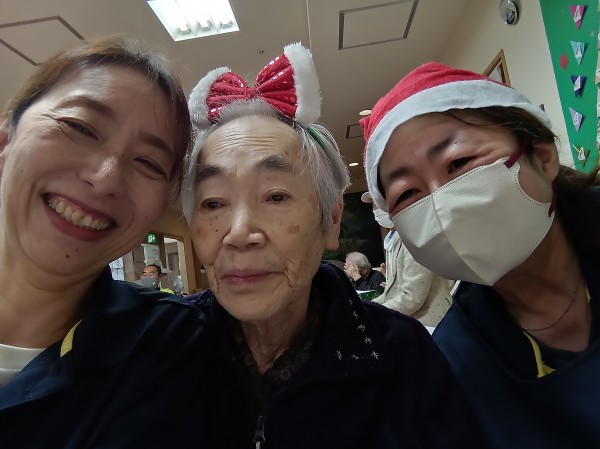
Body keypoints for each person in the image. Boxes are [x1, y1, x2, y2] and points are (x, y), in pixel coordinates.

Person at [182, 44, 488, 448]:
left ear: (331, 220)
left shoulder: (404, 354)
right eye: (212, 203)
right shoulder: (162, 347)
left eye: (275, 196)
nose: (239, 233)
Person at [361, 62, 600, 448]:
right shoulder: (455, 364)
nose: (443, 207)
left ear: (542, 157)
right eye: (407, 193)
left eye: (459, 163)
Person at [0, 36, 207, 447]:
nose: (106, 178)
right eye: (79, 127)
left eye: (148, 162)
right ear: (5, 140)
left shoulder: (168, 346)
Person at [361, 192, 452, 328]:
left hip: (428, 324)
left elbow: (412, 298)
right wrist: (364, 308)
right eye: (373, 205)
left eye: (378, 203)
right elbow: (391, 294)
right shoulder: (394, 239)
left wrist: (373, 313)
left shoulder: (415, 237)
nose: (375, 210)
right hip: (409, 321)